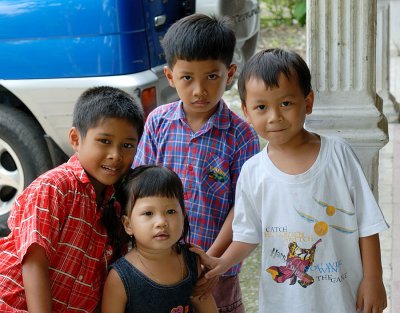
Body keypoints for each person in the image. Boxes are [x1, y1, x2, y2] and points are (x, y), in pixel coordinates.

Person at [191, 48, 389, 313]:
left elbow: (367, 224)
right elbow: (247, 235)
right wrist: (221, 263)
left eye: (286, 103)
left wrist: (374, 279)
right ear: (247, 113)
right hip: (283, 303)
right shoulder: (253, 172)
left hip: (343, 299)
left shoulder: (338, 155)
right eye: (261, 107)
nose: (275, 117)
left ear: (308, 102)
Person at [133, 13, 260, 312]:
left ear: (229, 74)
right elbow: (139, 188)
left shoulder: (241, 137)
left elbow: (242, 208)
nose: (199, 90)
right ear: (170, 76)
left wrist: (211, 260)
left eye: (211, 77)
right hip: (159, 266)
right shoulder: (158, 123)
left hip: (217, 273)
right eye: (187, 77)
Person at [0, 86, 144, 313]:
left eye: (127, 145)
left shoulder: (118, 204)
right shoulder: (55, 187)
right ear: (75, 139)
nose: (116, 155)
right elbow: (34, 262)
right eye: (104, 141)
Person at [101, 165, 218, 313]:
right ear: (128, 224)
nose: (162, 222)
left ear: (183, 216)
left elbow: (206, 305)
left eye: (170, 211)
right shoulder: (119, 278)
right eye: (148, 213)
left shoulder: (192, 260)